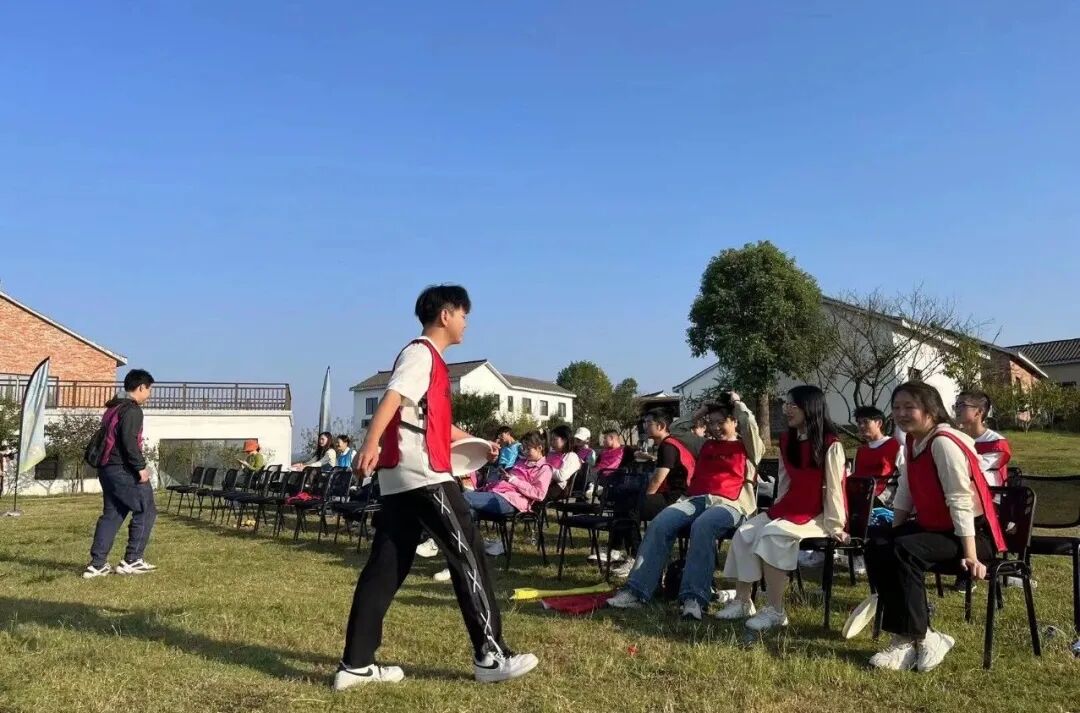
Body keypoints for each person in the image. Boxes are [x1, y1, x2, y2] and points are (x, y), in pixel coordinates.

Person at [336, 285, 537, 690]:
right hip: (423, 475)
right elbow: (392, 398)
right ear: (445, 315)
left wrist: (477, 441)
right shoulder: (421, 353)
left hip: (399, 479)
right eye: (463, 315)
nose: (466, 323)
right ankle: (490, 655)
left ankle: (355, 665)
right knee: (469, 553)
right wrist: (369, 444)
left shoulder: (433, 363)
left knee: (386, 566)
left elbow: (436, 424)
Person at [864, 382, 1005, 672]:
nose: (901, 413)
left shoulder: (943, 442)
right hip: (935, 530)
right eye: (897, 407)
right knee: (878, 544)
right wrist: (894, 531)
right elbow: (906, 489)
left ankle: (919, 637)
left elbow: (960, 500)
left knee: (903, 550)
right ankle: (911, 638)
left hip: (973, 536)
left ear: (930, 410)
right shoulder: (913, 441)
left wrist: (971, 555)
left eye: (909, 407)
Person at [607, 396, 764, 619]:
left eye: (721, 422)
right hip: (696, 499)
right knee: (661, 523)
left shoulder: (749, 448)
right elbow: (677, 430)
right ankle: (636, 591)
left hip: (731, 504)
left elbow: (750, 426)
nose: (715, 428)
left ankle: (694, 598)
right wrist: (702, 411)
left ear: (735, 421)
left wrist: (738, 405)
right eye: (711, 423)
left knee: (703, 526)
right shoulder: (703, 445)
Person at [714, 385, 846, 632]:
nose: (786, 410)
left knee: (772, 535)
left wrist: (836, 525)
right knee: (744, 533)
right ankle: (743, 601)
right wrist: (776, 511)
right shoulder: (788, 441)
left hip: (817, 514)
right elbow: (785, 481)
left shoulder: (830, 444)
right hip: (790, 507)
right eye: (786, 404)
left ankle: (776, 611)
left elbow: (834, 488)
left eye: (793, 405)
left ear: (810, 407)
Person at [83, 369, 158, 579]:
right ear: (141, 387)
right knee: (146, 509)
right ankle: (132, 560)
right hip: (123, 470)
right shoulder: (132, 410)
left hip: (106, 469)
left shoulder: (113, 408)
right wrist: (140, 468)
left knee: (113, 514)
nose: (149, 395)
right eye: (149, 390)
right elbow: (129, 442)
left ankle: (97, 564)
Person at [601, 409, 696, 570]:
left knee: (632, 507)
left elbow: (657, 480)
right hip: (672, 495)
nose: (645, 426)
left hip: (679, 499)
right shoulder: (668, 444)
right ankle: (618, 550)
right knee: (624, 502)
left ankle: (636, 557)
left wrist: (644, 498)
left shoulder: (668, 446)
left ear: (661, 426)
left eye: (648, 422)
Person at [466, 431, 553, 557]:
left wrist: (514, 480)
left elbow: (539, 494)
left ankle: (464, 544)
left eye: (528, 449)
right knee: (467, 510)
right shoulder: (522, 462)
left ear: (539, 448)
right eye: (523, 448)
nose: (524, 452)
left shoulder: (545, 469)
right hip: (499, 494)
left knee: (464, 498)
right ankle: (471, 546)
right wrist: (504, 478)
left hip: (513, 501)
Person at [954, 390, 1012, 487]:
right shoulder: (956, 437)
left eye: (962, 405)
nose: (957, 409)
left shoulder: (996, 443)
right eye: (956, 405)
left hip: (989, 493)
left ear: (979, 412)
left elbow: (970, 469)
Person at [852, 406, 904, 504]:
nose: (861, 426)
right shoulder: (861, 451)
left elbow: (905, 476)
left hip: (884, 503)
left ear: (879, 423)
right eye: (859, 423)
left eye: (866, 422)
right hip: (860, 500)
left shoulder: (895, 446)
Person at [545, 425, 583, 500]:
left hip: (558, 488)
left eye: (554, 440)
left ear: (565, 440)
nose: (551, 443)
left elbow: (561, 476)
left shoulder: (571, 456)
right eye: (551, 440)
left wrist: (545, 468)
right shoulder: (551, 453)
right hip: (545, 483)